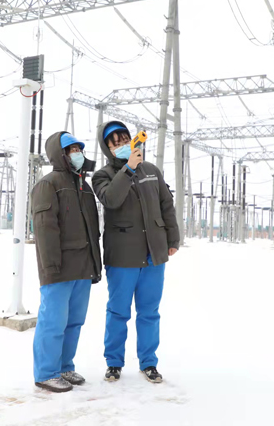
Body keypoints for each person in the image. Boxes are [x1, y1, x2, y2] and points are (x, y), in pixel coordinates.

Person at [92, 121, 179, 384]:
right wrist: (128, 168)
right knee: (118, 311)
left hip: (154, 254)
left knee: (150, 312)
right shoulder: (102, 175)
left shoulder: (152, 170)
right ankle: (114, 362)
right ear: (107, 148)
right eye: (114, 142)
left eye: (124, 139)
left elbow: (166, 205)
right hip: (122, 256)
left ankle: (149, 362)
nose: (121, 145)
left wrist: (172, 238)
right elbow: (111, 199)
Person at [31, 131, 102, 393]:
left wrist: (96, 264)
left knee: (74, 321)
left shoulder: (84, 186)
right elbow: (44, 228)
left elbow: (93, 230)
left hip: (83, 267)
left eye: (79, 149)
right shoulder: (48, 184)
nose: (77, 154)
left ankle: (64, 366)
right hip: (59, 268)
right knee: (53, 322)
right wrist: (50, 266)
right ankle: (46, 373)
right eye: (71, 149)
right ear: (59, 154)